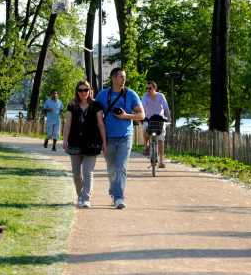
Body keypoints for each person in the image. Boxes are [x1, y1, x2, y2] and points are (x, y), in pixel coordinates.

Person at [94, 68, 144, 209]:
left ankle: (119, 197)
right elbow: (96, 116)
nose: (124, 80)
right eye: (121, 77)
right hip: (108, 137)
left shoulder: (131, 94)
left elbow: (141, 115)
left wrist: (125, 116)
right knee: (111, 169)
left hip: (125, 136)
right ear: (113, 78)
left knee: (121, 167)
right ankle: (113, 192)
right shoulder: (102, 95)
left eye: (125, 77)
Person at [62, 80, 107, 208]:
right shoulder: (72, 105)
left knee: (88, 173)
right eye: (80, 90)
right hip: (75, 142)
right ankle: (80, 195)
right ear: (77, 91)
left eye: (86, 90)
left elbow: (101, 124)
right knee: (76, 174)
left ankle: (86, 198)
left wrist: (104, 142)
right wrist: (65, 139)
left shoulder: (96, 105)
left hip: (92, 143)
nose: (83, 93)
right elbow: (68, 124)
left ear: (90, 91)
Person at [141, 81, 171, 168]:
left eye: (150, 88)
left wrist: (169, 117)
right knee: (145, 130)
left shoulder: (160, 96)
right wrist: (140, 117)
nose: (148, 90)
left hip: (159, 119)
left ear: (155, 88)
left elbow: (165, 107)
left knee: (161, 139)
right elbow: (142, 107)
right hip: (148, 118)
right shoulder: (145, 96)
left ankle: (161, 161)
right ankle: (146, 147)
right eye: (147, 88)